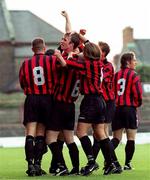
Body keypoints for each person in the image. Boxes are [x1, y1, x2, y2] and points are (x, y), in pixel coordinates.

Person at [56, 36, 121, 176]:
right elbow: (87, 44)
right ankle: (112, 164)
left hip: (91, 101)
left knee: (81, 132)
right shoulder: (98, 63)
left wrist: (58, 54)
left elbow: (65, 63)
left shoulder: (86, 64)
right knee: (100, 133)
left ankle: (92, 161)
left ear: (87, 54)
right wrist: (81, 38)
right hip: (100, 101)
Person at [19, 37, 58, 176]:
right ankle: (37, 164)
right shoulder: (52, 60)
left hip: (32, 98)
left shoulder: (26, 63)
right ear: (44, 47)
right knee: (41, 133)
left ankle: (30, 165)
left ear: (32, 49)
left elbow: (22, 82)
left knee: (30, 132)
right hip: (47, 99)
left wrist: (30, 92)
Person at [46, 32, 81, 176]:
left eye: (64, 40)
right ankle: (76, 168)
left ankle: (62, 166)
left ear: (72, 44)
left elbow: (66, 66)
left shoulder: (68, 59)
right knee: (69, 139)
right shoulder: (78, 58)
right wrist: (67, 19)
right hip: (70, 106)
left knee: (50, 138)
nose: (61, 41)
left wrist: (59, 56)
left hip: (61, 103)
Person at [92, 42, 122, 172]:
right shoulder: (96, 64)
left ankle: (113, 164)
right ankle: (109, 164)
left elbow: (100, 80)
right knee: (98, 135)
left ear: (103, 53)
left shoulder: (107, 66)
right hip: (100, 102)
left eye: (98, 50)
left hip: (107, 102)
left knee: (101, 134)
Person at [111, 52, 143, 170]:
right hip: (129, 109)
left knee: (116, 139)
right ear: (128, 62)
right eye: (134, 60)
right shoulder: (133, 75)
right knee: (131, 138)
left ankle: (109, 158)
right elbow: (138, 94)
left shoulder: (116, 75)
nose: (136, 62)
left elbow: (112, 92)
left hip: (117, 109)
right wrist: (137, 104)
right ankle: (127, 164)